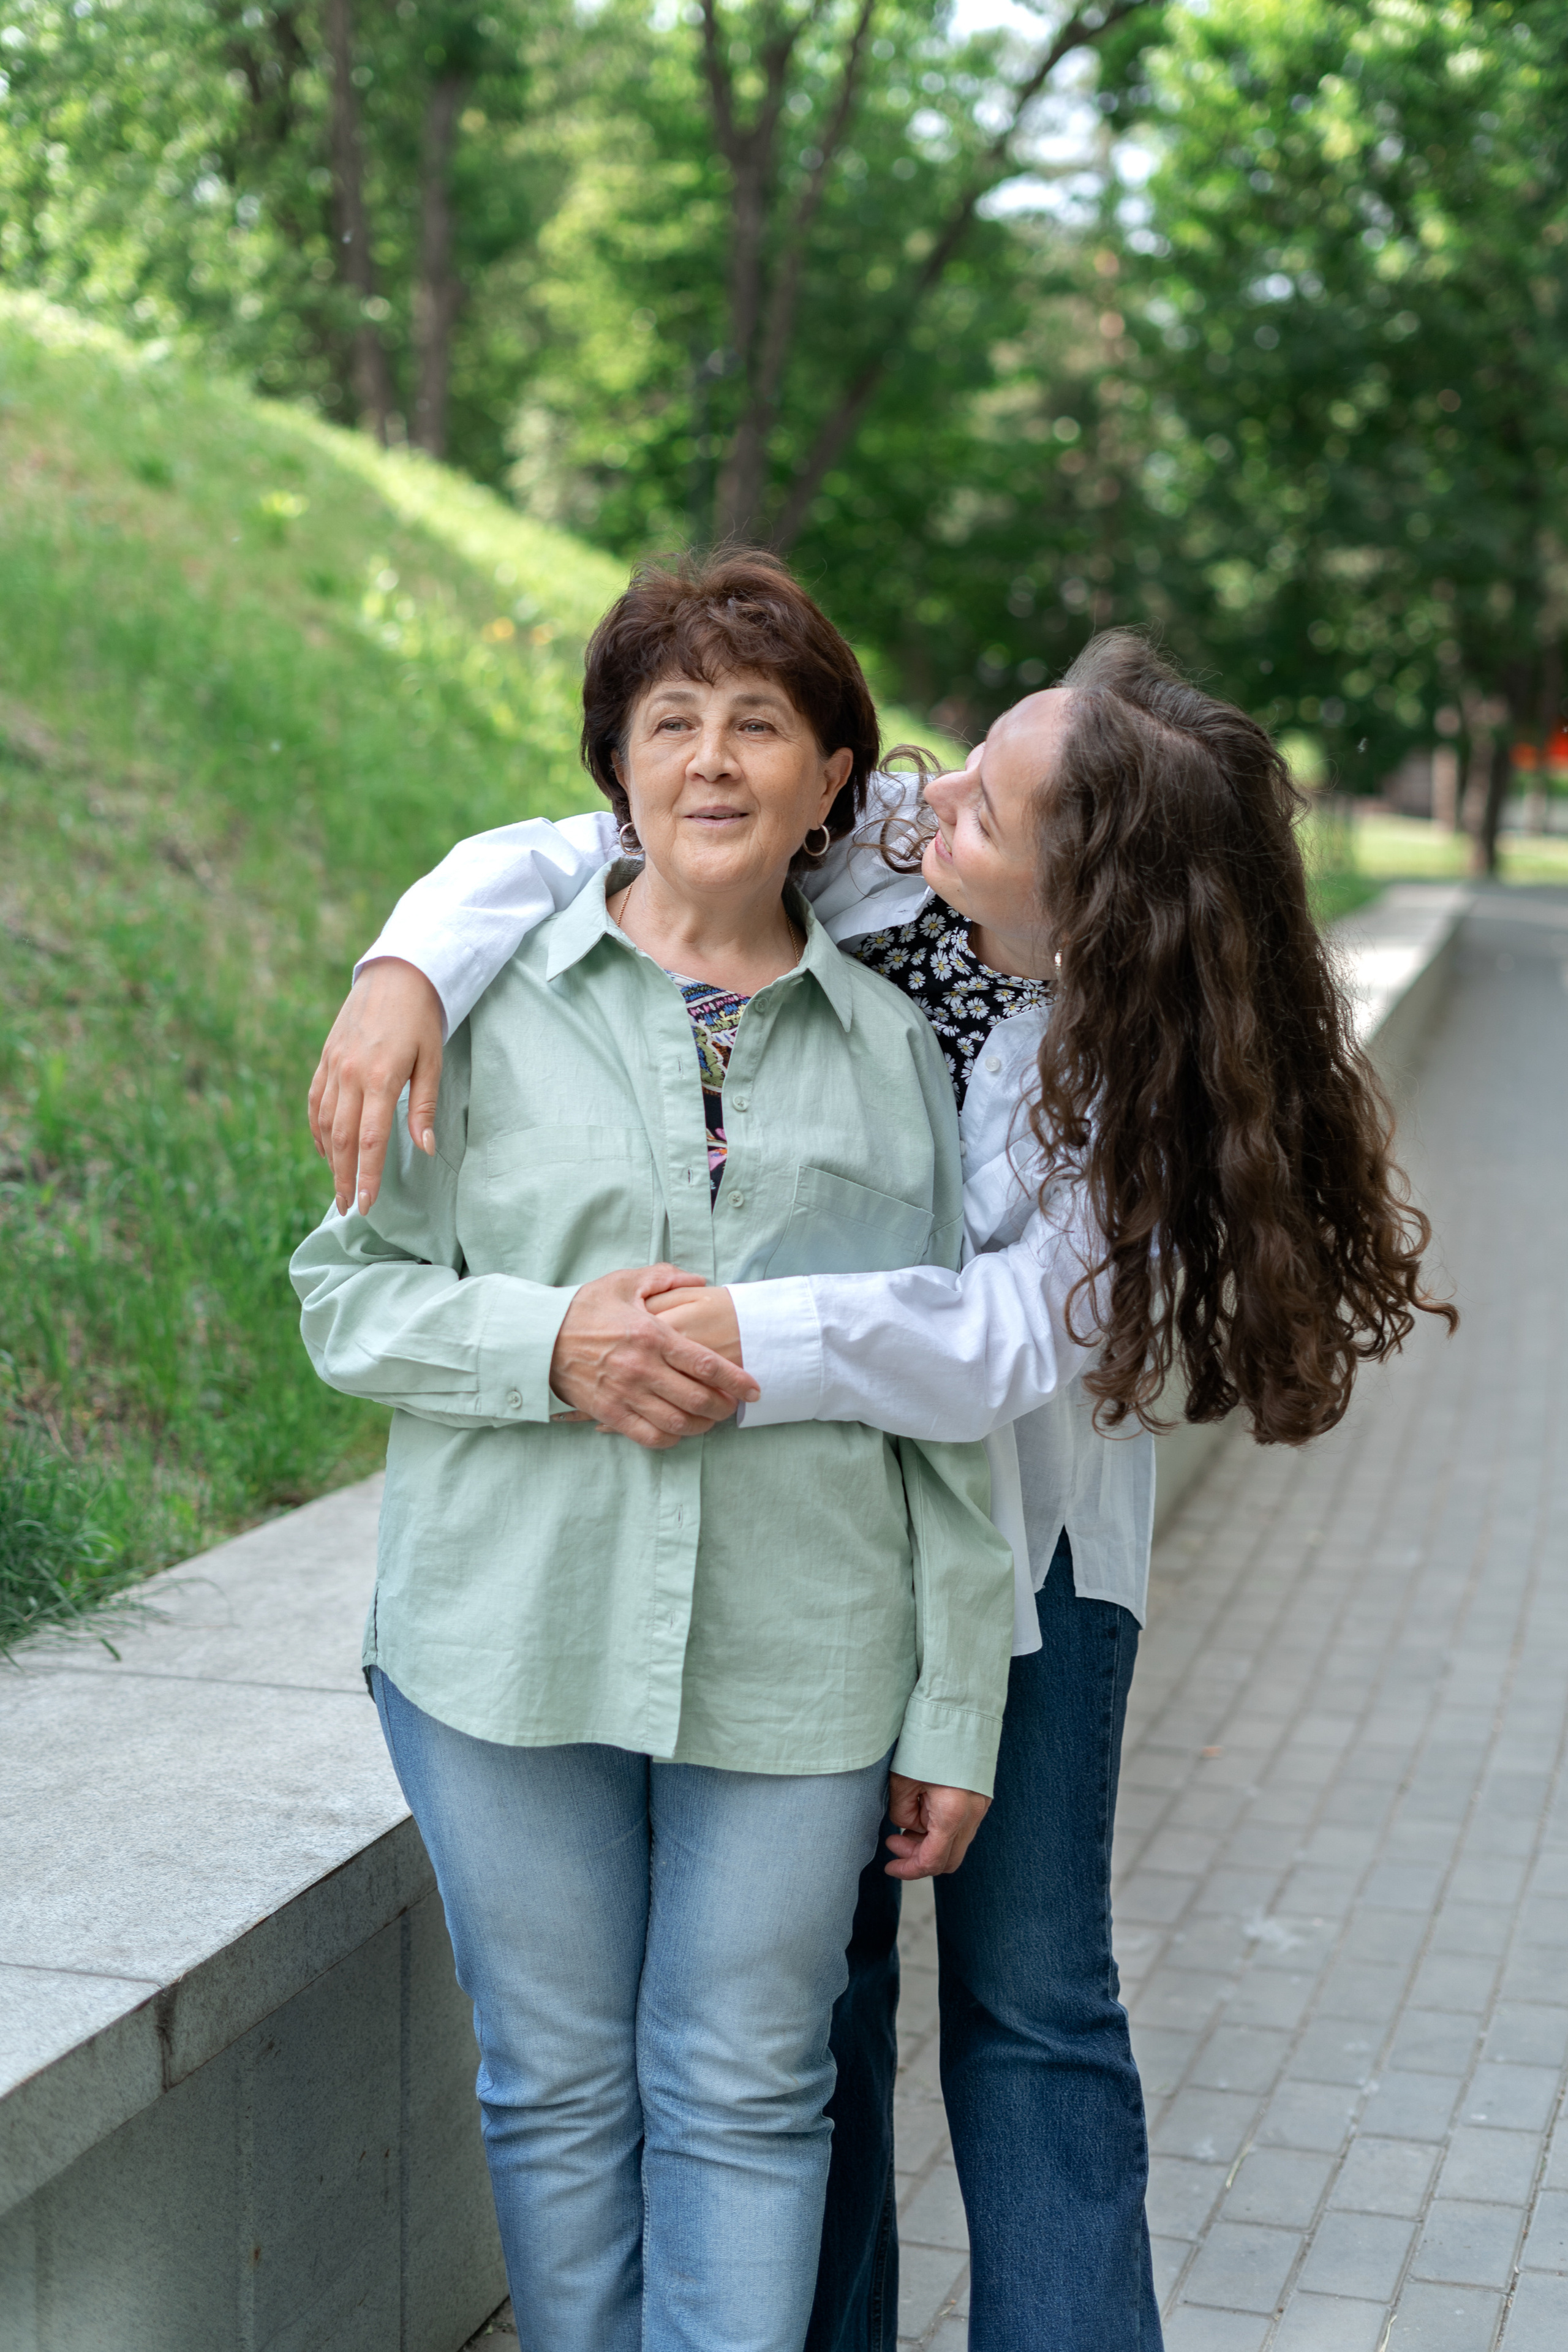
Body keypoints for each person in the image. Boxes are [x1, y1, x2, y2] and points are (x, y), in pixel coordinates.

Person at [309, 617, 1453, 2351]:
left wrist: (707, 1336)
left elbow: (999, 1348)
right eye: (951, 768)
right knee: (804, 2022)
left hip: (1024, 1546)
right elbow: (594, 829)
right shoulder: (871, 860)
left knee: (1032, 1997)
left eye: (988, 809)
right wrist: (406, 963)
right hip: (806, 1531)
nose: (927, 812)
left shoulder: (1127, 1082)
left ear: (1098, 902)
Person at [290, 551, 1016, 2352]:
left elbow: (938, 1389)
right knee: (552, 2088)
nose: (710, 759)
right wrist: (547, 1344)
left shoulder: (895, 1057)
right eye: (670, 720)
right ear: (614, 768)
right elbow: (347, 1299)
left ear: (835, 777)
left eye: (758, 723)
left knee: (754, 2087)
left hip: (807, 1651)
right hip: (501, 1640)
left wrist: (953, 1710)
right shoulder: (478, 1014)